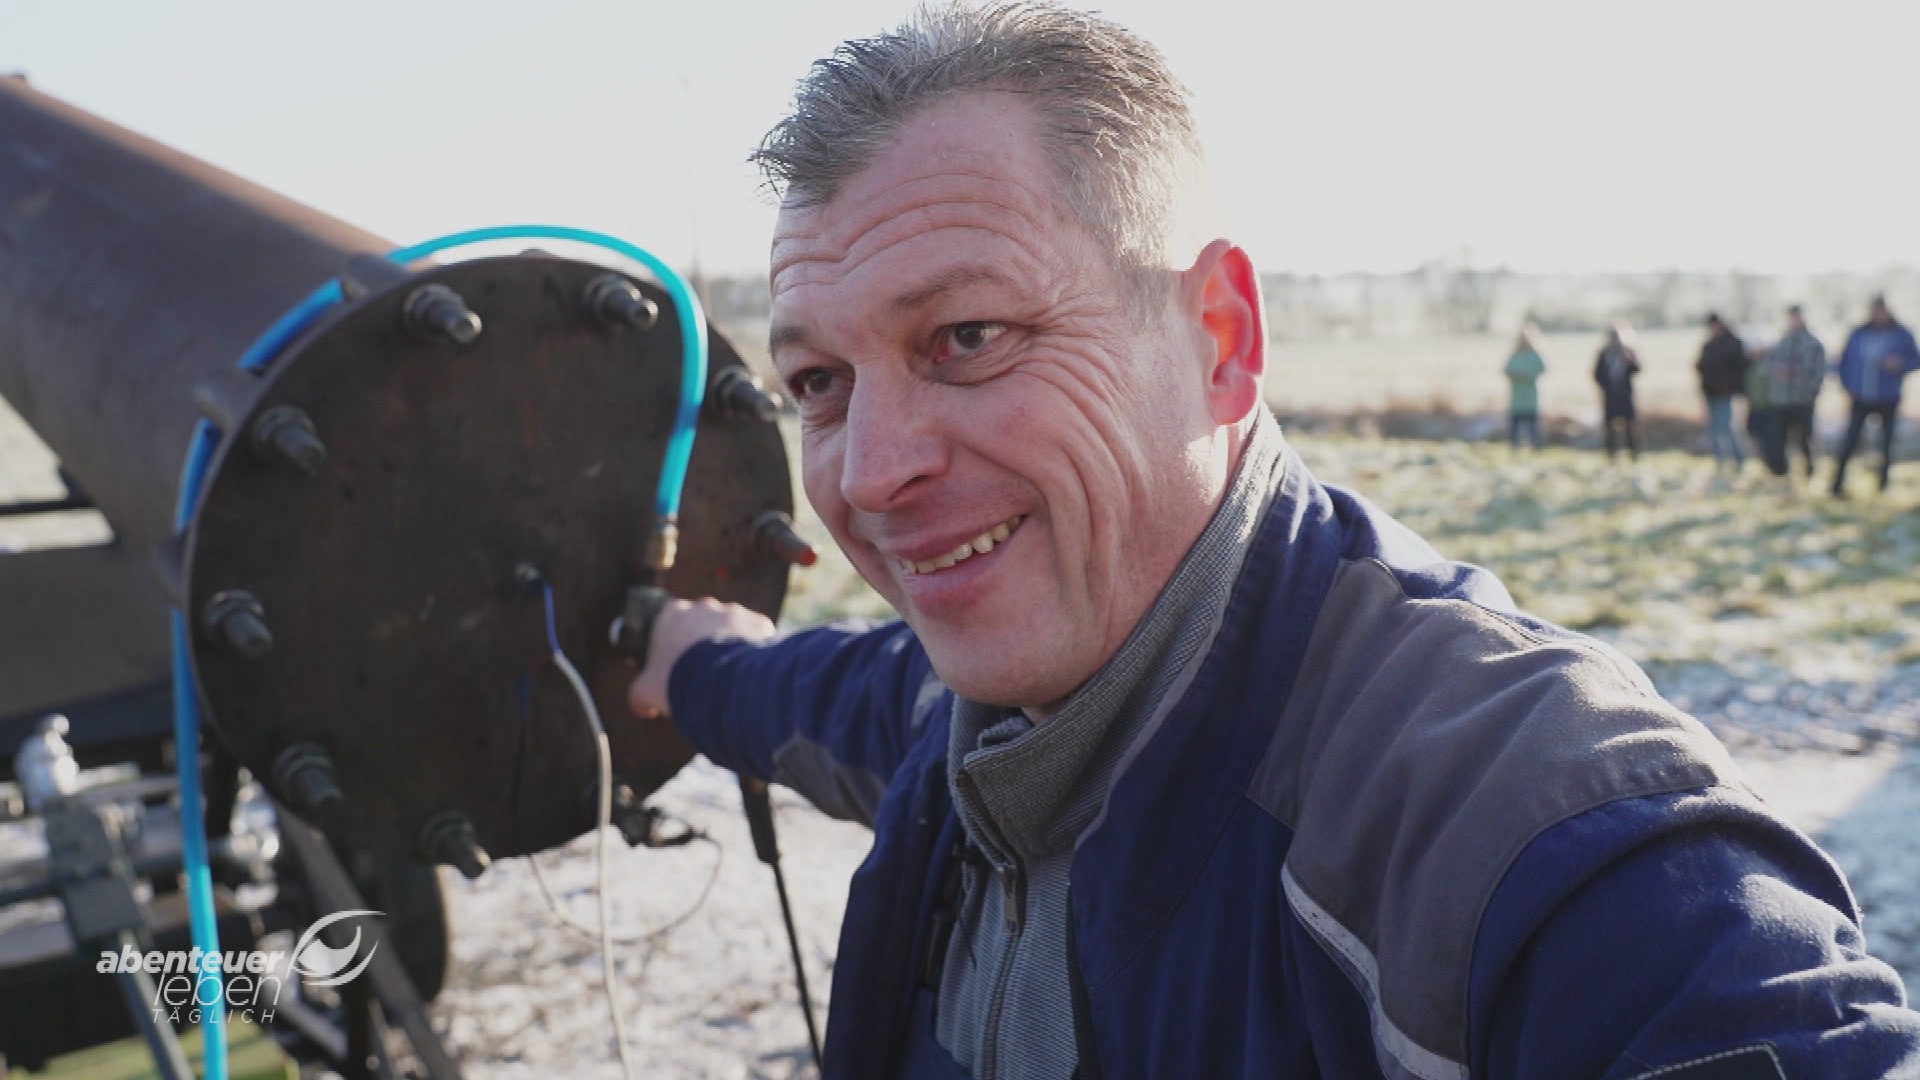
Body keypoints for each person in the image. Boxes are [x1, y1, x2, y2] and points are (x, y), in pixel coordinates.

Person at [624, 6, 1920, 1078]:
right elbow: (824, 693)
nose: (871, 469)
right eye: (819, 383)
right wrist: (684, 655)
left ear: (1222, 341)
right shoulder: (969, 712)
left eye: (967, 337)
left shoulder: (1489, 820)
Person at [1831, 295, 1919, 496]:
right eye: (1875, 311)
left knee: (1886, 442)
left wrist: (1900, 365)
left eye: (1882, 311)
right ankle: (1837, 484)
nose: (1878, 315)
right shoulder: (1858, 334)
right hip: (1860, 396)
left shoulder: (1902, 334)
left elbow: (1915, 360)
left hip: (1888, 397)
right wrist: (1847, 385)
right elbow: (1843, 362)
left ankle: (1882, 485)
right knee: (1850, 440)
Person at [1762, 305, 1827, 481]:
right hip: (1781, 400)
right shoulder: (1782, 341)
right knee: (1777, 438)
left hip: (1802, 400)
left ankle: (1809, 472)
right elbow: (1769, 364)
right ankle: (1780, 474)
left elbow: (1819, 372)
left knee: (1805, 439)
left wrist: (1802, 383)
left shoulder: (1813, 344)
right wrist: (1778, 370)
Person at [1696, 313, 1750, 473]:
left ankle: (1738, 459)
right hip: (1710, 393)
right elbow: (1702, 366)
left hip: (1726, 394)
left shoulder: (1733, 344)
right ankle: (1720, 460)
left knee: (1726, 428)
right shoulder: (1709, 345)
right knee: (1714, 430)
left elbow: (1741, 367)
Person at [1592, 324, 1641, 460]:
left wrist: (1630, 361)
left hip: (1625, 394)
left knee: (1630, 425)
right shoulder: (1604, 353)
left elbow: (1638, 369)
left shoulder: (1628, 351)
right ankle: (1611, 454)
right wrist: (1605, 386)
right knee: (1609, 427)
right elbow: (1597, 373)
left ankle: (1634, 453)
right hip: (1610, 394)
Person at [1502, 328, 1545, 449]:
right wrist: (1516, 375)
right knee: (1515, 425)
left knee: (1532, 425)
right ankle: (1514, 446)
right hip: (1517, 397)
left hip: (1530, 396)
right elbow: (1506, 370)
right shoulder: (1515, 355)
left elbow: (1542, 369)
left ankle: (1536, 446)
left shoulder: (1534, 354)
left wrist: (1530, 375)